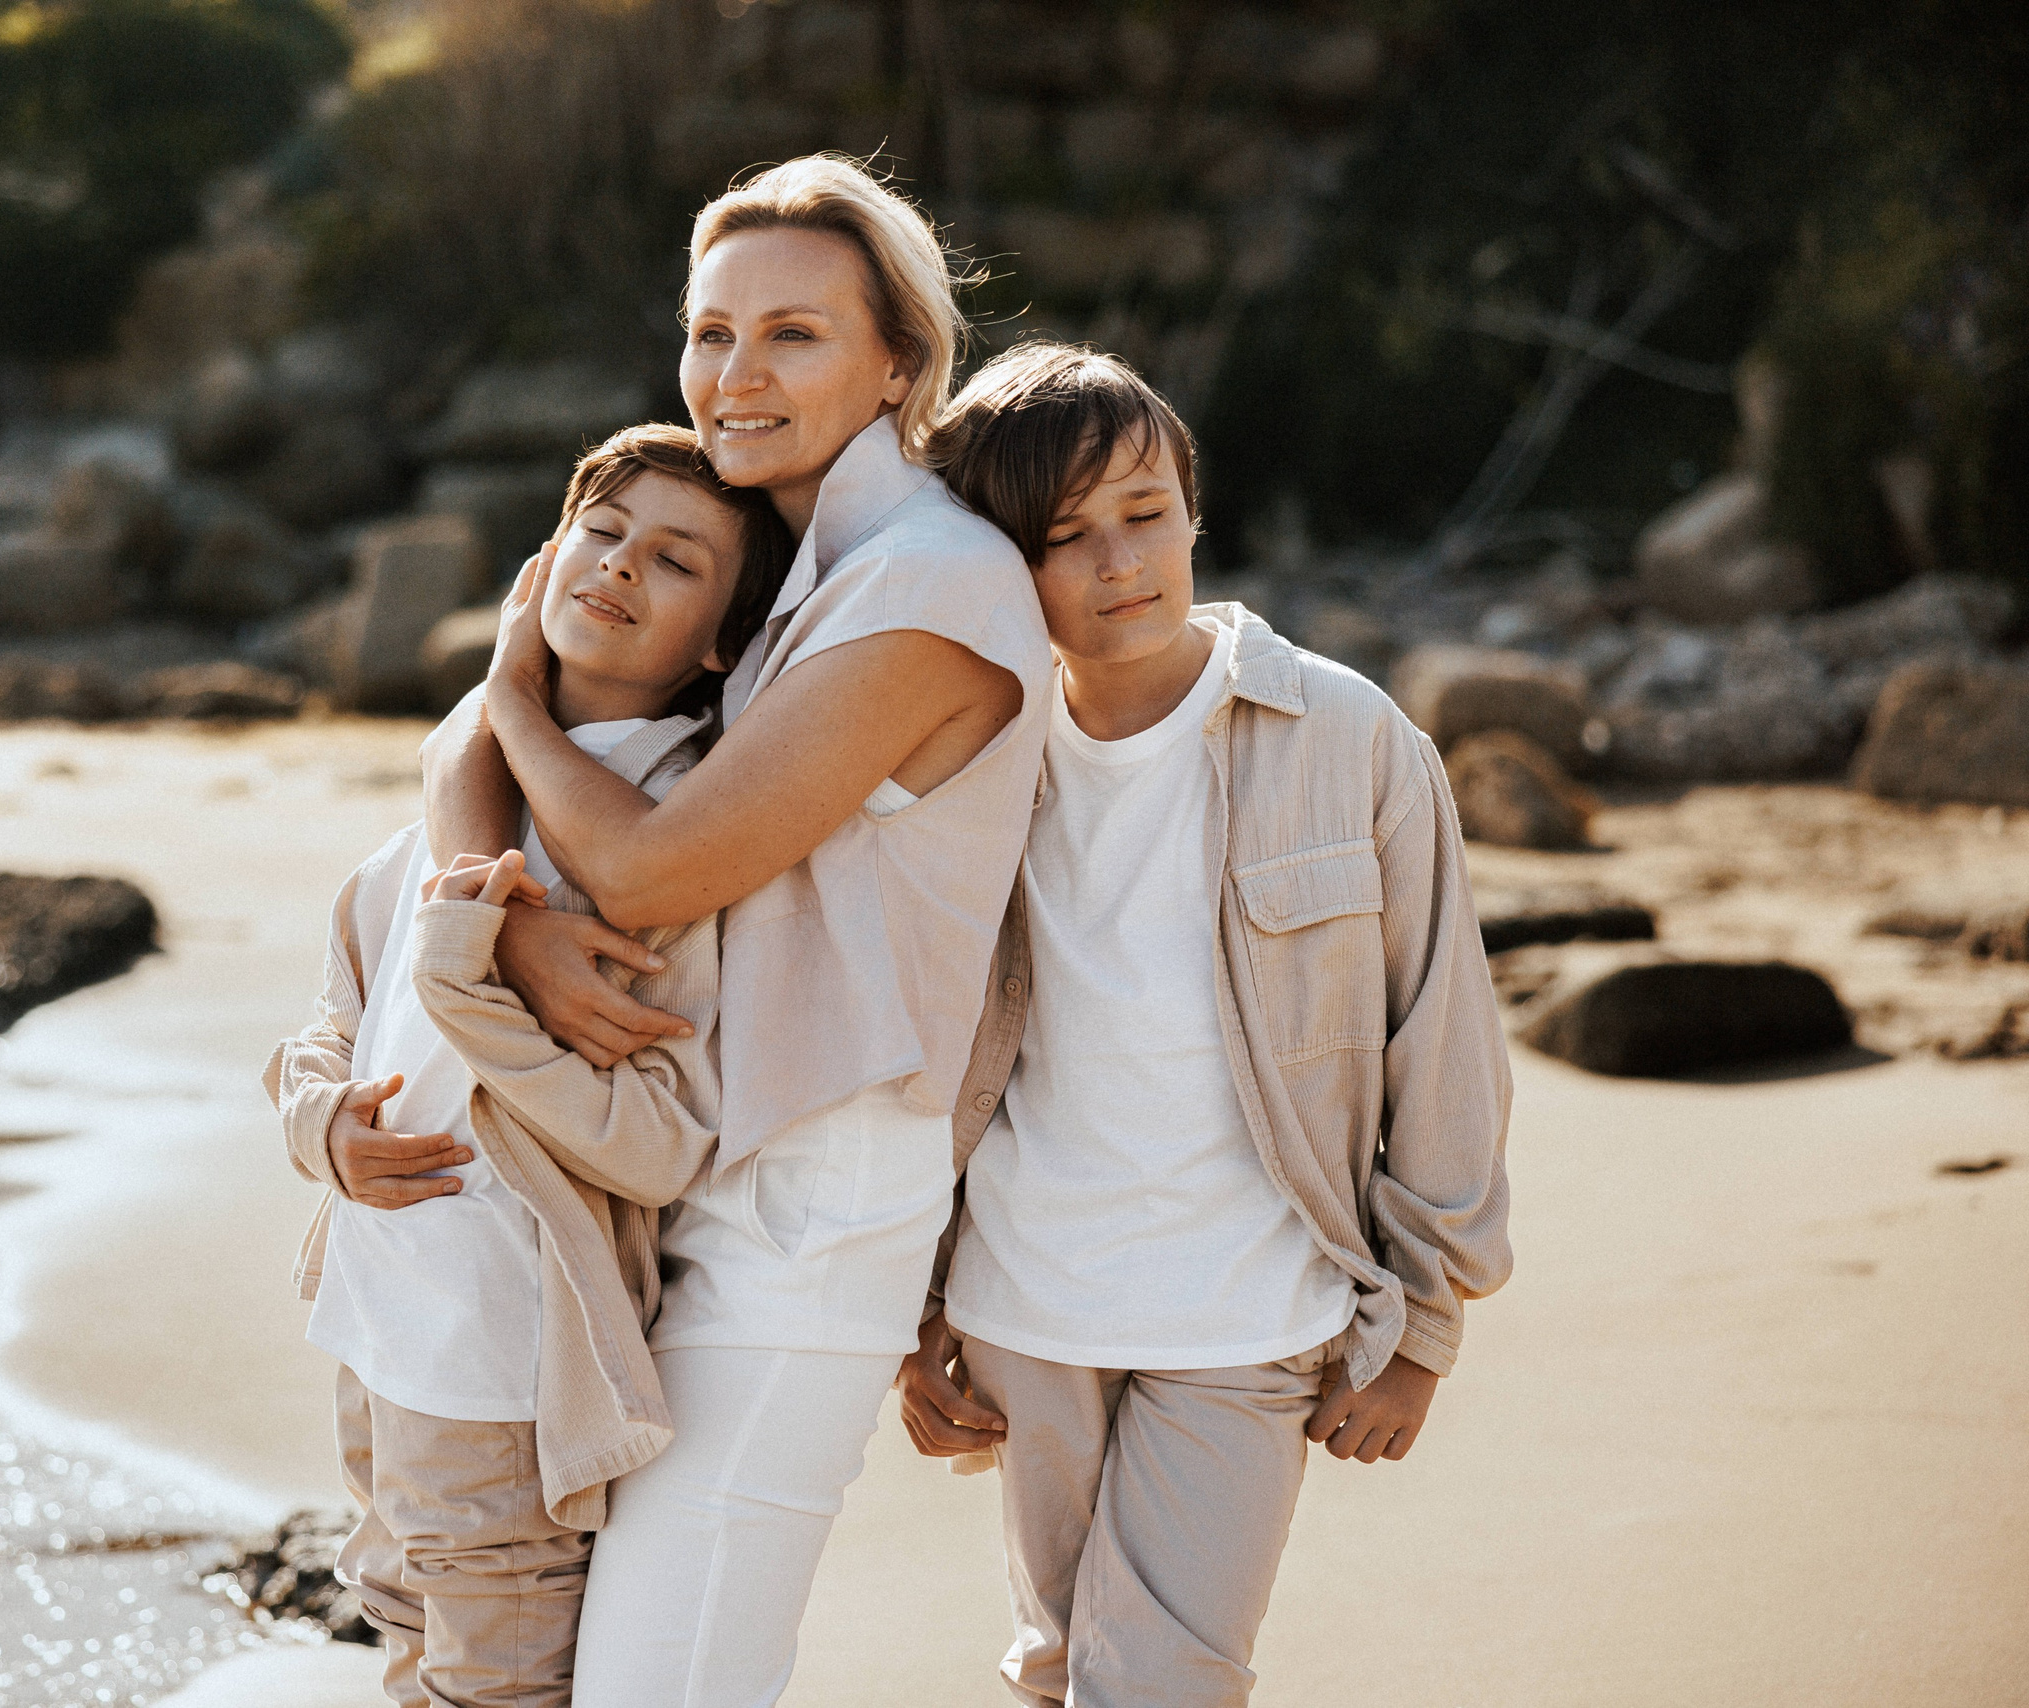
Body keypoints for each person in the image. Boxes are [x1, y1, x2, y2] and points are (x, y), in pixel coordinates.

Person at [361, 155, 1051, 1708]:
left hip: (809, 1212)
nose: (736, 373)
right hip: (669, 1197)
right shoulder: (785, 574)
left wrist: (511, 690)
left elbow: (654, 868)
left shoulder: (932, 583)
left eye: (794, 335)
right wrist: (503, 922)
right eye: (710, 331)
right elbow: (469, 754)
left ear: (900, 363)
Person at [895, 341, 1515, 1708]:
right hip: (1022, 1308)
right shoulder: (968, 757)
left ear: (1192, 512)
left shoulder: (1347, 737)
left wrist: (1424, 1324)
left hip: (1253, 1309)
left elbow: (1442, 1036)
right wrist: (909, 1306)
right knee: (1058, 1667)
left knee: (1161, 1683)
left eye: (1145, 513)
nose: (1119, 562)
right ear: (999, 563)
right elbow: (912, 1043)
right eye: (1064, 536)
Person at [262, 424, 792, 1708]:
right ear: (541, 564)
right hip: (376, 1331)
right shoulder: (462, 793)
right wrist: (322, 1125)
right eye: (601, 532)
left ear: (723, 642)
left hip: (501, 1367)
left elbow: (660, 1143)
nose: (619, 565)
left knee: (491, 1684)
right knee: (401, 1638)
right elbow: (342, 1012)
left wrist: (474, 977)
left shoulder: (668, 847)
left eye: (674, 561)